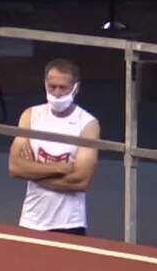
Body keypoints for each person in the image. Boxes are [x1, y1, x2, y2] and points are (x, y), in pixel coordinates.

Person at [8, 58, 100, 236]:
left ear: (76, 88)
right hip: (30, 220)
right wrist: (60, 168)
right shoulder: (30, 116)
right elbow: (15, 167)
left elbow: (80, 180)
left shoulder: (88, 124)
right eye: (52, 87)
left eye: (63, 87)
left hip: (70, 224)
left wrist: (34, 173)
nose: (57, 93)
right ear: (45, 85)